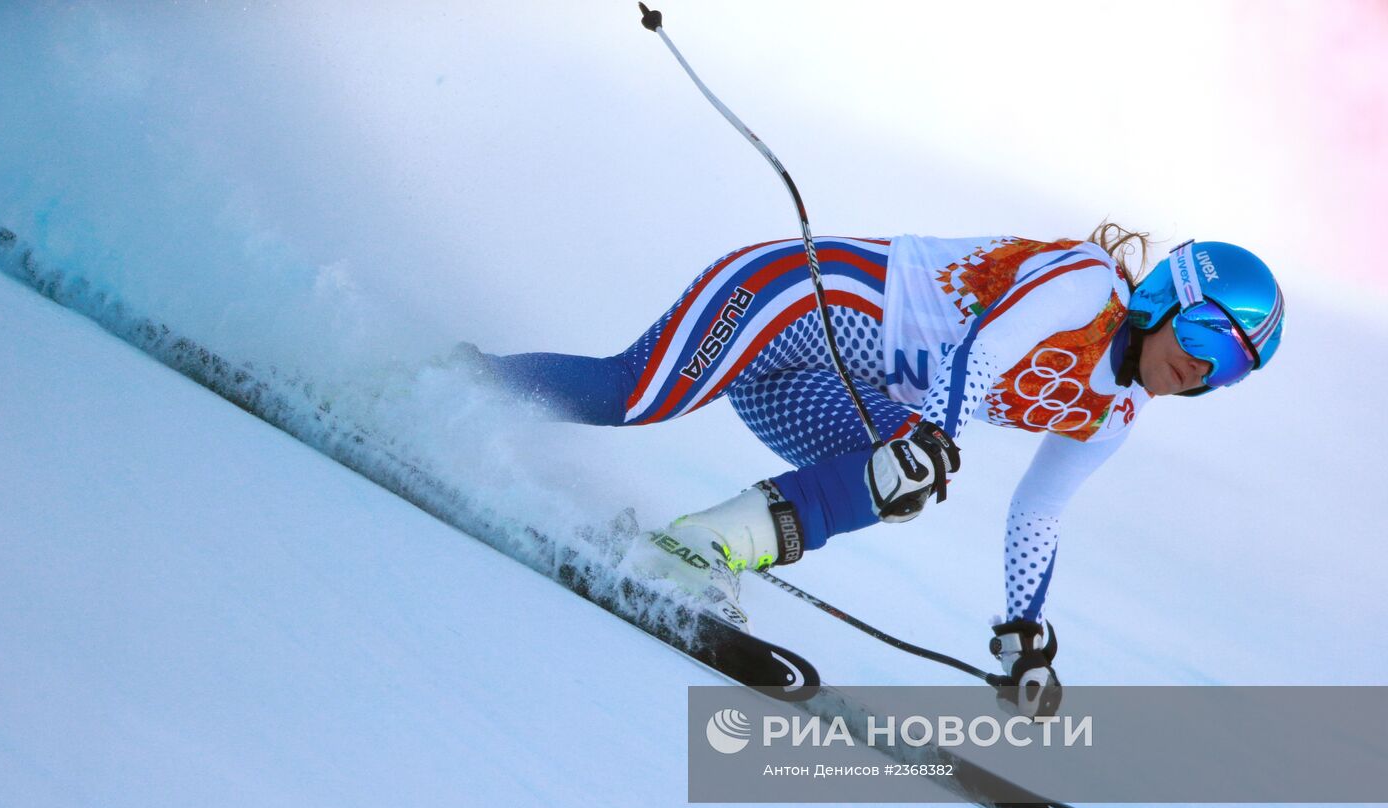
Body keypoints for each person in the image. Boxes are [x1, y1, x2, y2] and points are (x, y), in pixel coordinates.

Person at [470, 224, 1285, 715]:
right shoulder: (1088, 284)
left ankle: (694, 551)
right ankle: (441, 381)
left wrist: (1023, 634)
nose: (1203, 373)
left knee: (901, 476)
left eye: (1231, 372)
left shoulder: (1114, 414)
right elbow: (983, 348)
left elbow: (1040, 510)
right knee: (632, 393)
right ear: (1169, 298)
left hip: (824, 384)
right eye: (1208, 342)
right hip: (794, 298)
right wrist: (933, 435)